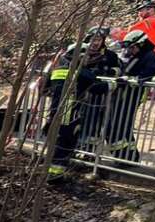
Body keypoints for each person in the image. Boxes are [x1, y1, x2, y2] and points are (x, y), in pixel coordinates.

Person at [49, 28, 119, 174]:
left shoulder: (59, 69)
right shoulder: (81, 72)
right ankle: (56, 174)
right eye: (85, 56)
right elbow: (97, 88)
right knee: (66, 142)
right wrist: (113, 84)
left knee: (58, 141)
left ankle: (54, 171)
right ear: (78, 57)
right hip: (70, 113)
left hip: (55, 111)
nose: (88, 59)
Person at [108, 30, 155, 159]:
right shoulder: (139, 56)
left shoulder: (150, 56)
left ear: (141, 44)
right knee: (121, 124)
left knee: (120, 123)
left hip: (133, 95)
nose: (130, 50)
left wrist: (129, 80)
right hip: (125, 94)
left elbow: (147, 76)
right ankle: (128, 155)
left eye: (132, 47)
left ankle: (125, 156)